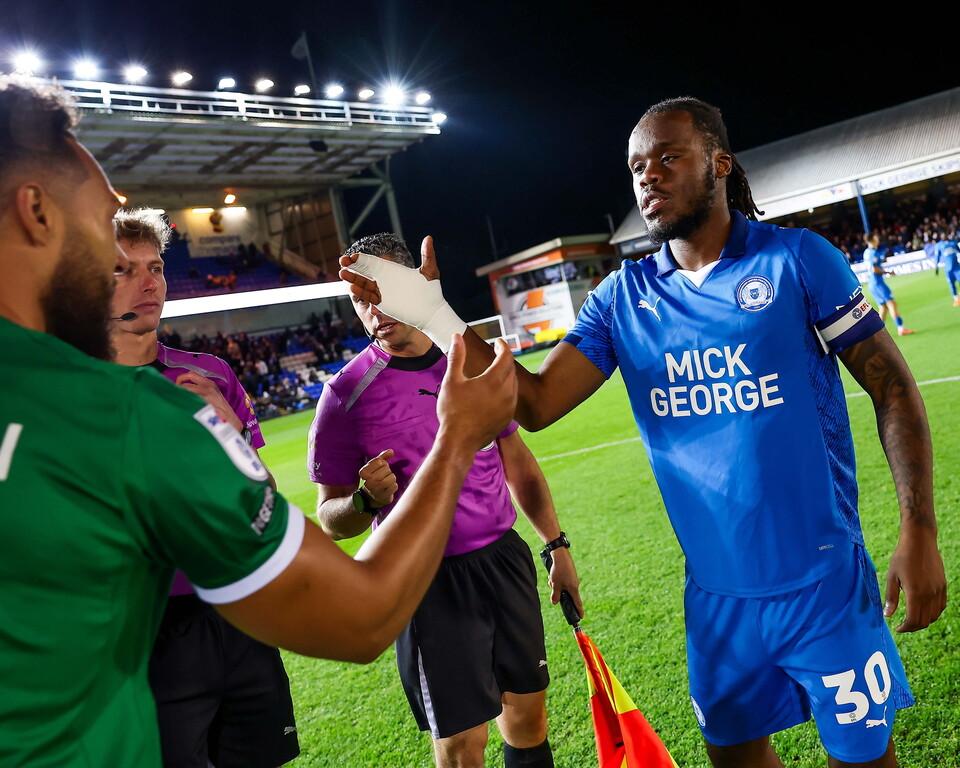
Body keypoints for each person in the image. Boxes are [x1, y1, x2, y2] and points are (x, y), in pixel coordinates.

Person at [339, 97, 947, 768]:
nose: (648, 176)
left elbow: (892, 388)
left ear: (719, 164)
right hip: (716, 597)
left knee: (863, 760)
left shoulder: (798, 260)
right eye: (636, 168)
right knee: (734, 757)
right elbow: (534, 403)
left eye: (668, 158)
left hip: (823, 582)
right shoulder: (622, 299)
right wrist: (434, 312)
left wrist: (918, 531)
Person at [0, 76, 517, 767]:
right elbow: (361, 617)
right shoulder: (127, 414)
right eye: (103, 224)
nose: (120, 264)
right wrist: (455, 439)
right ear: (36, 212)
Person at [308, 233, 580, 768]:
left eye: (381, 292)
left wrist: (556, 544)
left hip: (502, 561)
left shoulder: (470, 360)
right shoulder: (344, 395)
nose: (373, 310)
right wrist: (363, 501)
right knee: (462, 746)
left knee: (528, 718)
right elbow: (330, 518)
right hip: (426, 580)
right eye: (360, 300)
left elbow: (517, 460)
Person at [110, 209, 299, 768]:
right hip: (142, 628)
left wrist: (232, 437)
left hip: (240, 609)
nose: (149, 283)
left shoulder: (210, 375)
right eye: (124, 270)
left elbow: (265, 499)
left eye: (156, 267)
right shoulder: (72, 394)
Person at [864, 233, 915, 335]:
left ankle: (876, 333)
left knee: (883, 308)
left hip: (873, 284)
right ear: (873, 239)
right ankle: (901, 329)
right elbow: (874, 269)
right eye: (876, 237)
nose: (878, 238)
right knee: (892, 304)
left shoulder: (867, 252)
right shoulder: (873, 253)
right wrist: (887, 272)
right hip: (878, 283)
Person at [933, 230, 960, 306]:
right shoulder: (939, 245)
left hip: (956, 267)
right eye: (942, 235)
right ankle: (956, 299)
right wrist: (936, 267)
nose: (944, 236)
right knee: (951, 284)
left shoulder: (953, 242)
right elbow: (937, 257)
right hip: (948, 269)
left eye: (945, 234)